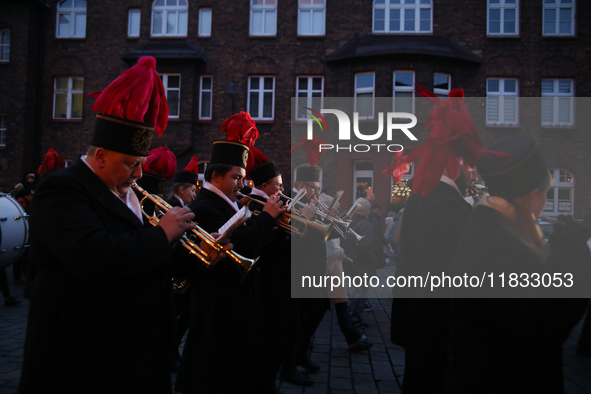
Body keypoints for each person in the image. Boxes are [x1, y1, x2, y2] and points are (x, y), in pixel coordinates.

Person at [18, 56, 197, 394]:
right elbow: (93, 255)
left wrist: (197, 253)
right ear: (100, 156)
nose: (139, 174)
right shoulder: (63, 188)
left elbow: (143, 258)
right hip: (80, 356)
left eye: (141, 164)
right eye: (131, 163)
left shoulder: (125, 193)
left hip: (128, 349)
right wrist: (162, 234)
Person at [449, 135, 591, 393]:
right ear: (532, 195)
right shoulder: (495, 245)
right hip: (504, 380)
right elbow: (544, 323)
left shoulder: (495, 228)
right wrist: (575, 251)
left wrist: (558, 246)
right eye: (547, 193)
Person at [388, 87, 487, 393]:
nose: (473, 174)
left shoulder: (423, 196)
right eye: (469, 165)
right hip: (437, 328)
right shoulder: (447, 204)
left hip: (420, 321)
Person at [176, 139, 286, 394]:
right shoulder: (205, 206)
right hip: (218, 302)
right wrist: (269, 216)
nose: (241, 185)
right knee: (214, 370)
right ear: (215, 176)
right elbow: (241, 244)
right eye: (236, 178)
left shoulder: (227, 202)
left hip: (233, 300)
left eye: (243, 178)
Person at [245, 160, 302, 394]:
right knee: (271, 339)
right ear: (264, 185)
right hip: (269, 280)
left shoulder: (273, 202)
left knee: (285, 334)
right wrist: (279, 224)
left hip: (283, 277)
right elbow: (257, 243)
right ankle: (265, 383)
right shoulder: (255, 204)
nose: (281, 189)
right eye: (277, 185)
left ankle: (271, 378)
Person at [319, 193, 373, 352]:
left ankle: (354, 338)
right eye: (335, 208)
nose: (338, 210)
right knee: (334, 307)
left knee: (339, 306)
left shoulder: (330, 221)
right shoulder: (322, 221)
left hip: (335, 267)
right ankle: (355, 338)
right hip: (330, 269)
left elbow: (336, 244)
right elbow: (331, 247)